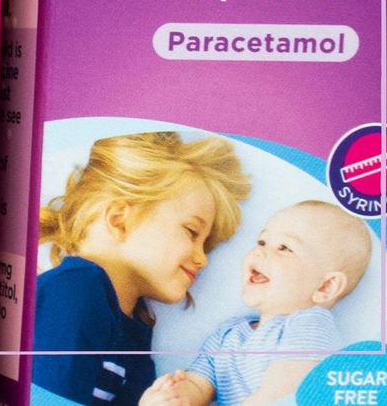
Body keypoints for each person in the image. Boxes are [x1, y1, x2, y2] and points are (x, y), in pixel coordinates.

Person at [33, 131, 251, 405]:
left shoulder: (136, 325)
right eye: (192, 232)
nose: (202, 259)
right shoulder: (74, 290)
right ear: (119, 219)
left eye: (206, 247)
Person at [142, 200, 372, 406]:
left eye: (284, 248)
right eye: (262, 241)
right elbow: (199, 383)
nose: (260, 252)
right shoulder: (229, 334)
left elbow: (284, 390)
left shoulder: (309, 323)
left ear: (325, 287)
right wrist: (178, 395)